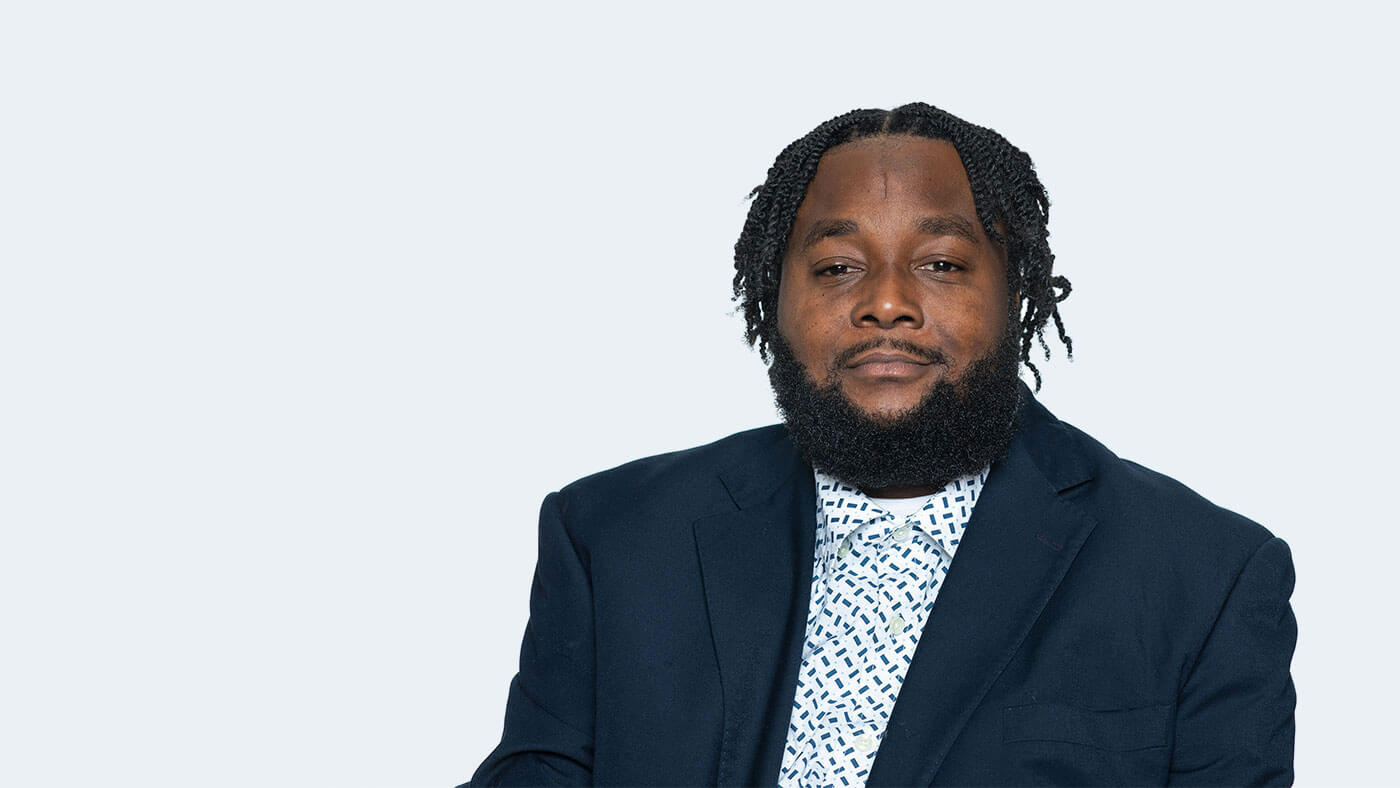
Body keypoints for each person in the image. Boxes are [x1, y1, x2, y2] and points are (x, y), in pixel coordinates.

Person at [467, 103, 1296, 786]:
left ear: (1016, 293)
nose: (887, 303)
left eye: (940, 263)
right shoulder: (612, 536)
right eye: (836, 268)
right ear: (771, 296)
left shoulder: (1205, 574)